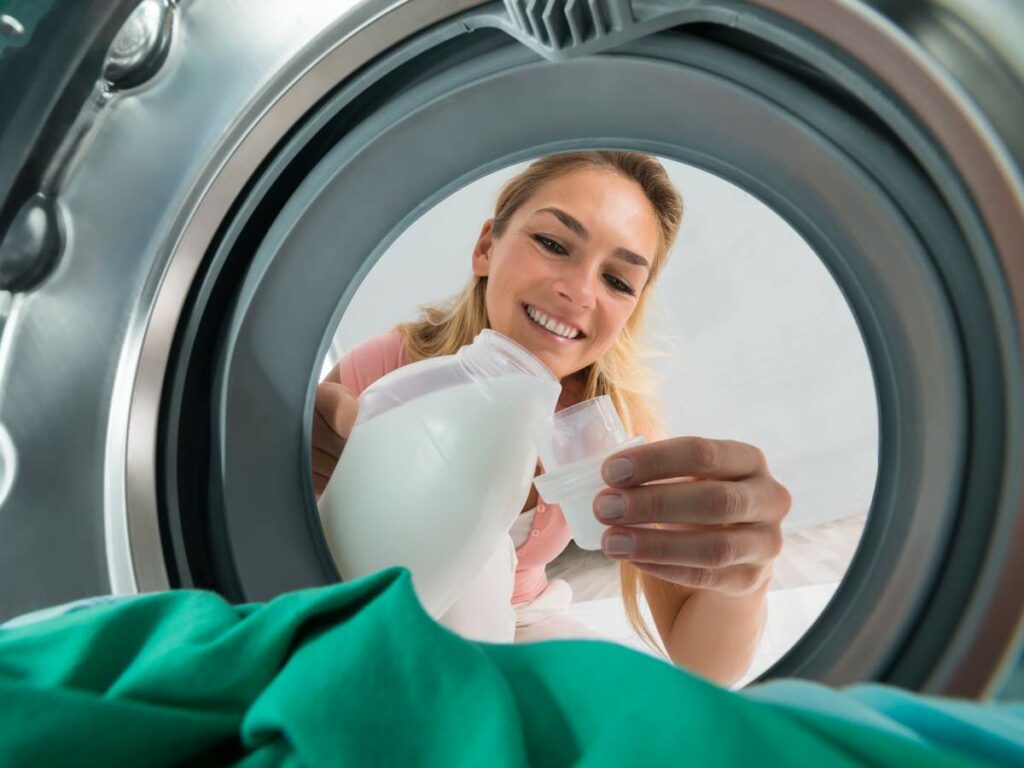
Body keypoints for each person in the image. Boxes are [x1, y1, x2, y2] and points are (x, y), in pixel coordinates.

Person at [311, 151, 791, 687]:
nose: (579, 292)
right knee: (481, 544)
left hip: (520, 620)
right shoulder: (389, 374)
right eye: (554, 244)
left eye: (617, 281)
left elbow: (704, 668)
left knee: (648, 715)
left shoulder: (604, 431)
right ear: (486, 247)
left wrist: (745, 578)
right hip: (390, 616)